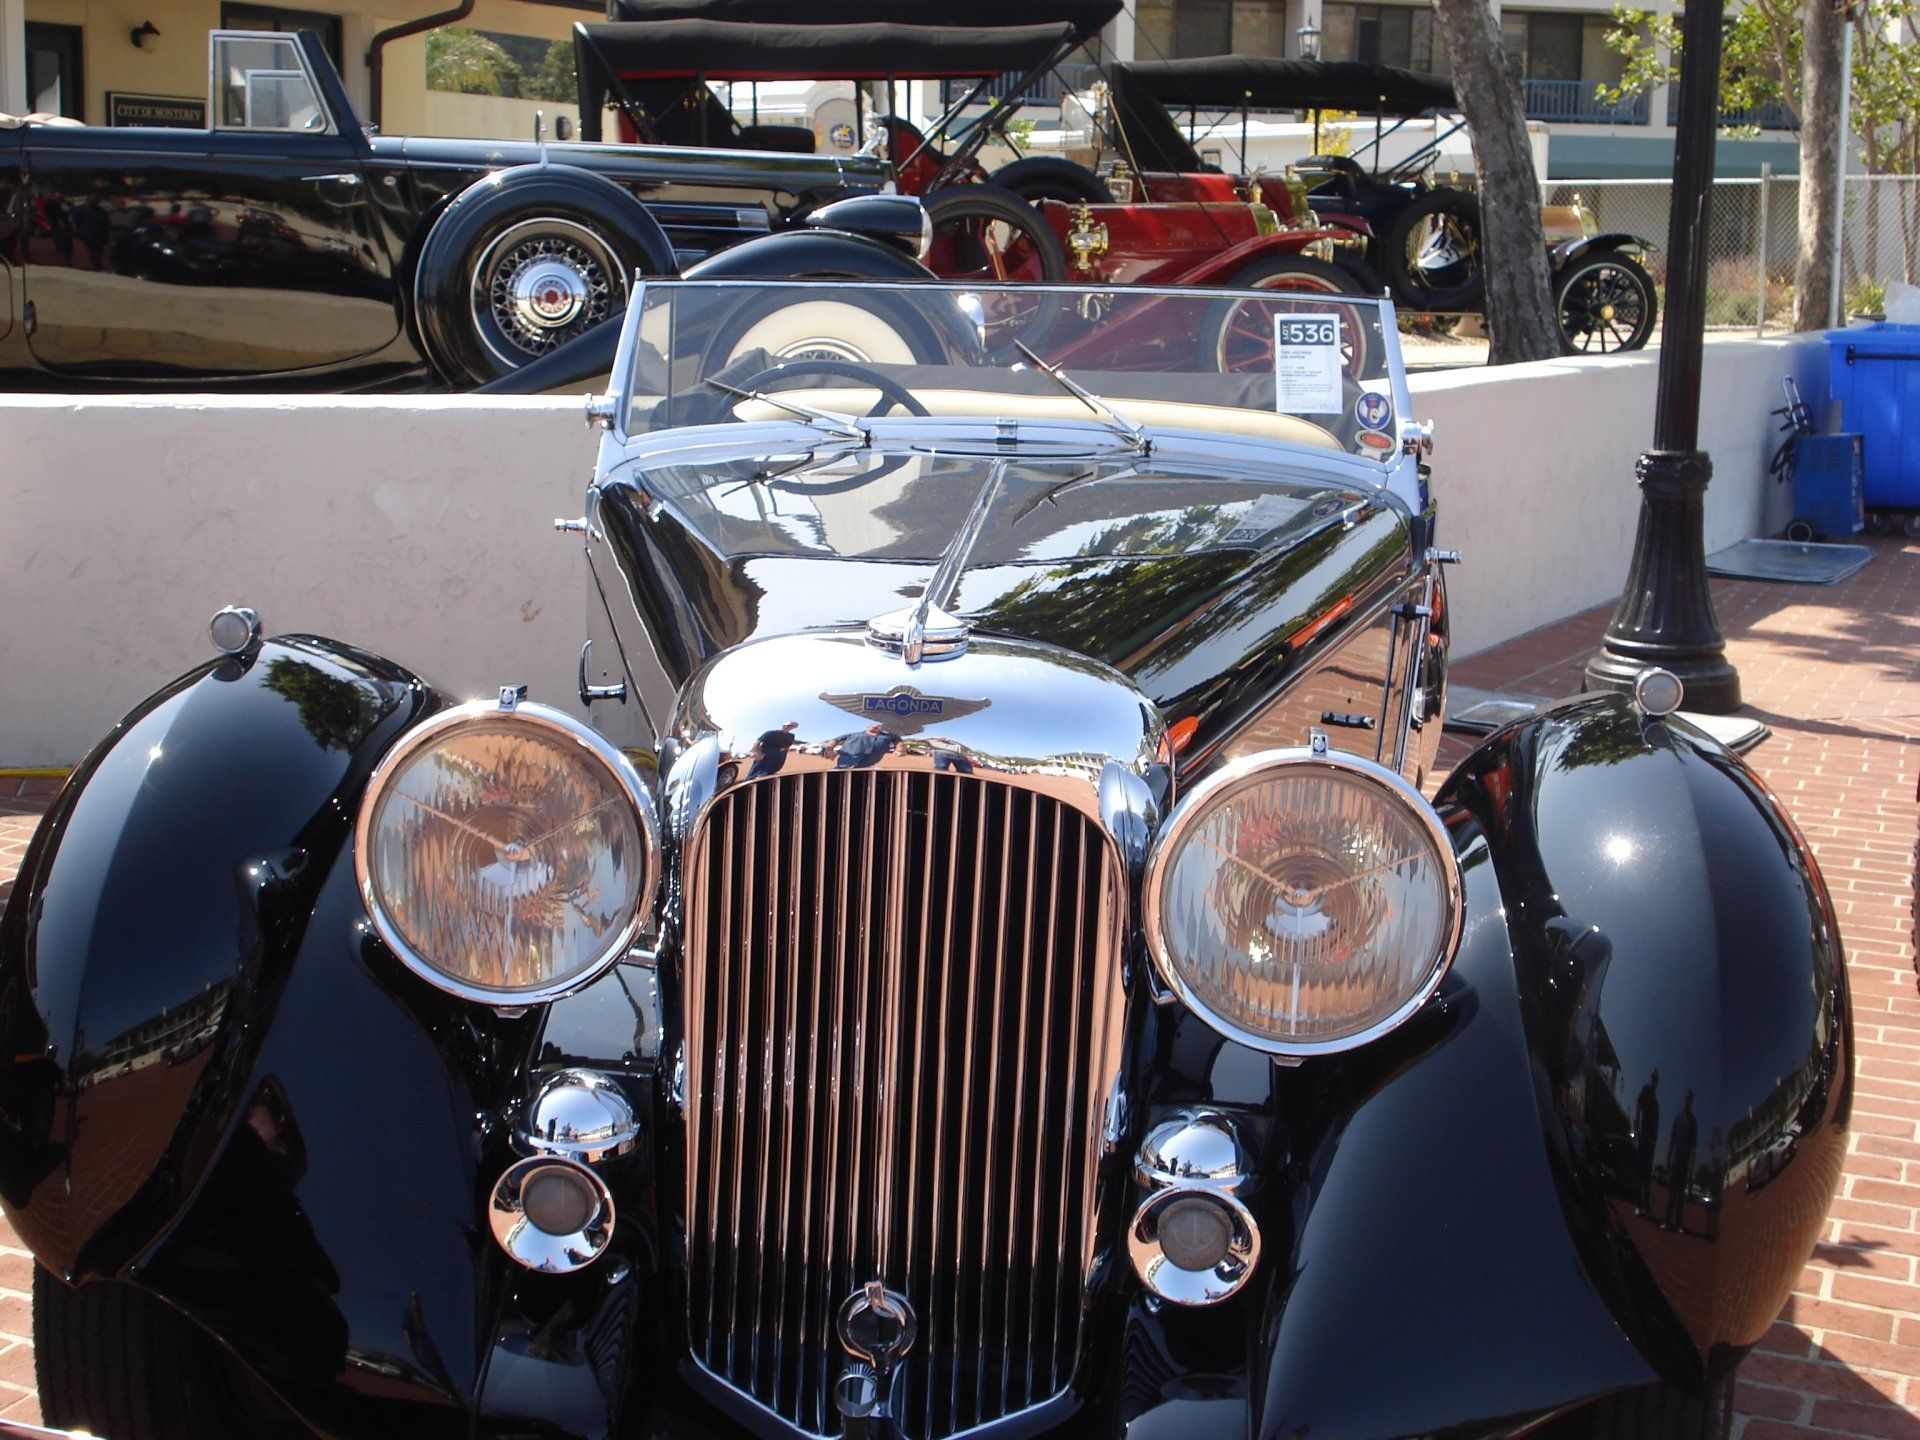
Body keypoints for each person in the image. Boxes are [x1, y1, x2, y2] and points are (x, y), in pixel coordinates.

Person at [1663, 1089, 1698, 1233]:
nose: (1687, 1101)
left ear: (1692, 1102)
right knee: (1672, 1193)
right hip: (1676, 1159)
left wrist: (1691, 1167)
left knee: (1681, 1196)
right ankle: (1667, 1221)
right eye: (1686, 1098)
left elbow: (1694, 1147)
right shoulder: (1678, 1118)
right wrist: (1668, 1157)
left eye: (1690, 1099)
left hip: (1685, 1161)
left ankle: (1678, 1224)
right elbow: (1672, 1138)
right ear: (1684, 1100)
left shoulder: (1693, 1122)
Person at [1631, 1069, 1660, 1216]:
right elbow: (1638, 1104)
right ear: (1651, 1079)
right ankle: (1638, 1204)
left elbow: (1656, 1126)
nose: (1654, 1081)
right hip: (1643, 1137)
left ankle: (1646, 1205)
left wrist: (1654, 1142)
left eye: (1656, 1079)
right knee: (1639, 1171)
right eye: (1653, 1078)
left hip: (1650, 1141)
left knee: (1647, 1174)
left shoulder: (1656, 1103)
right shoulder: (1647, 1090)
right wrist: (1636, 1126)